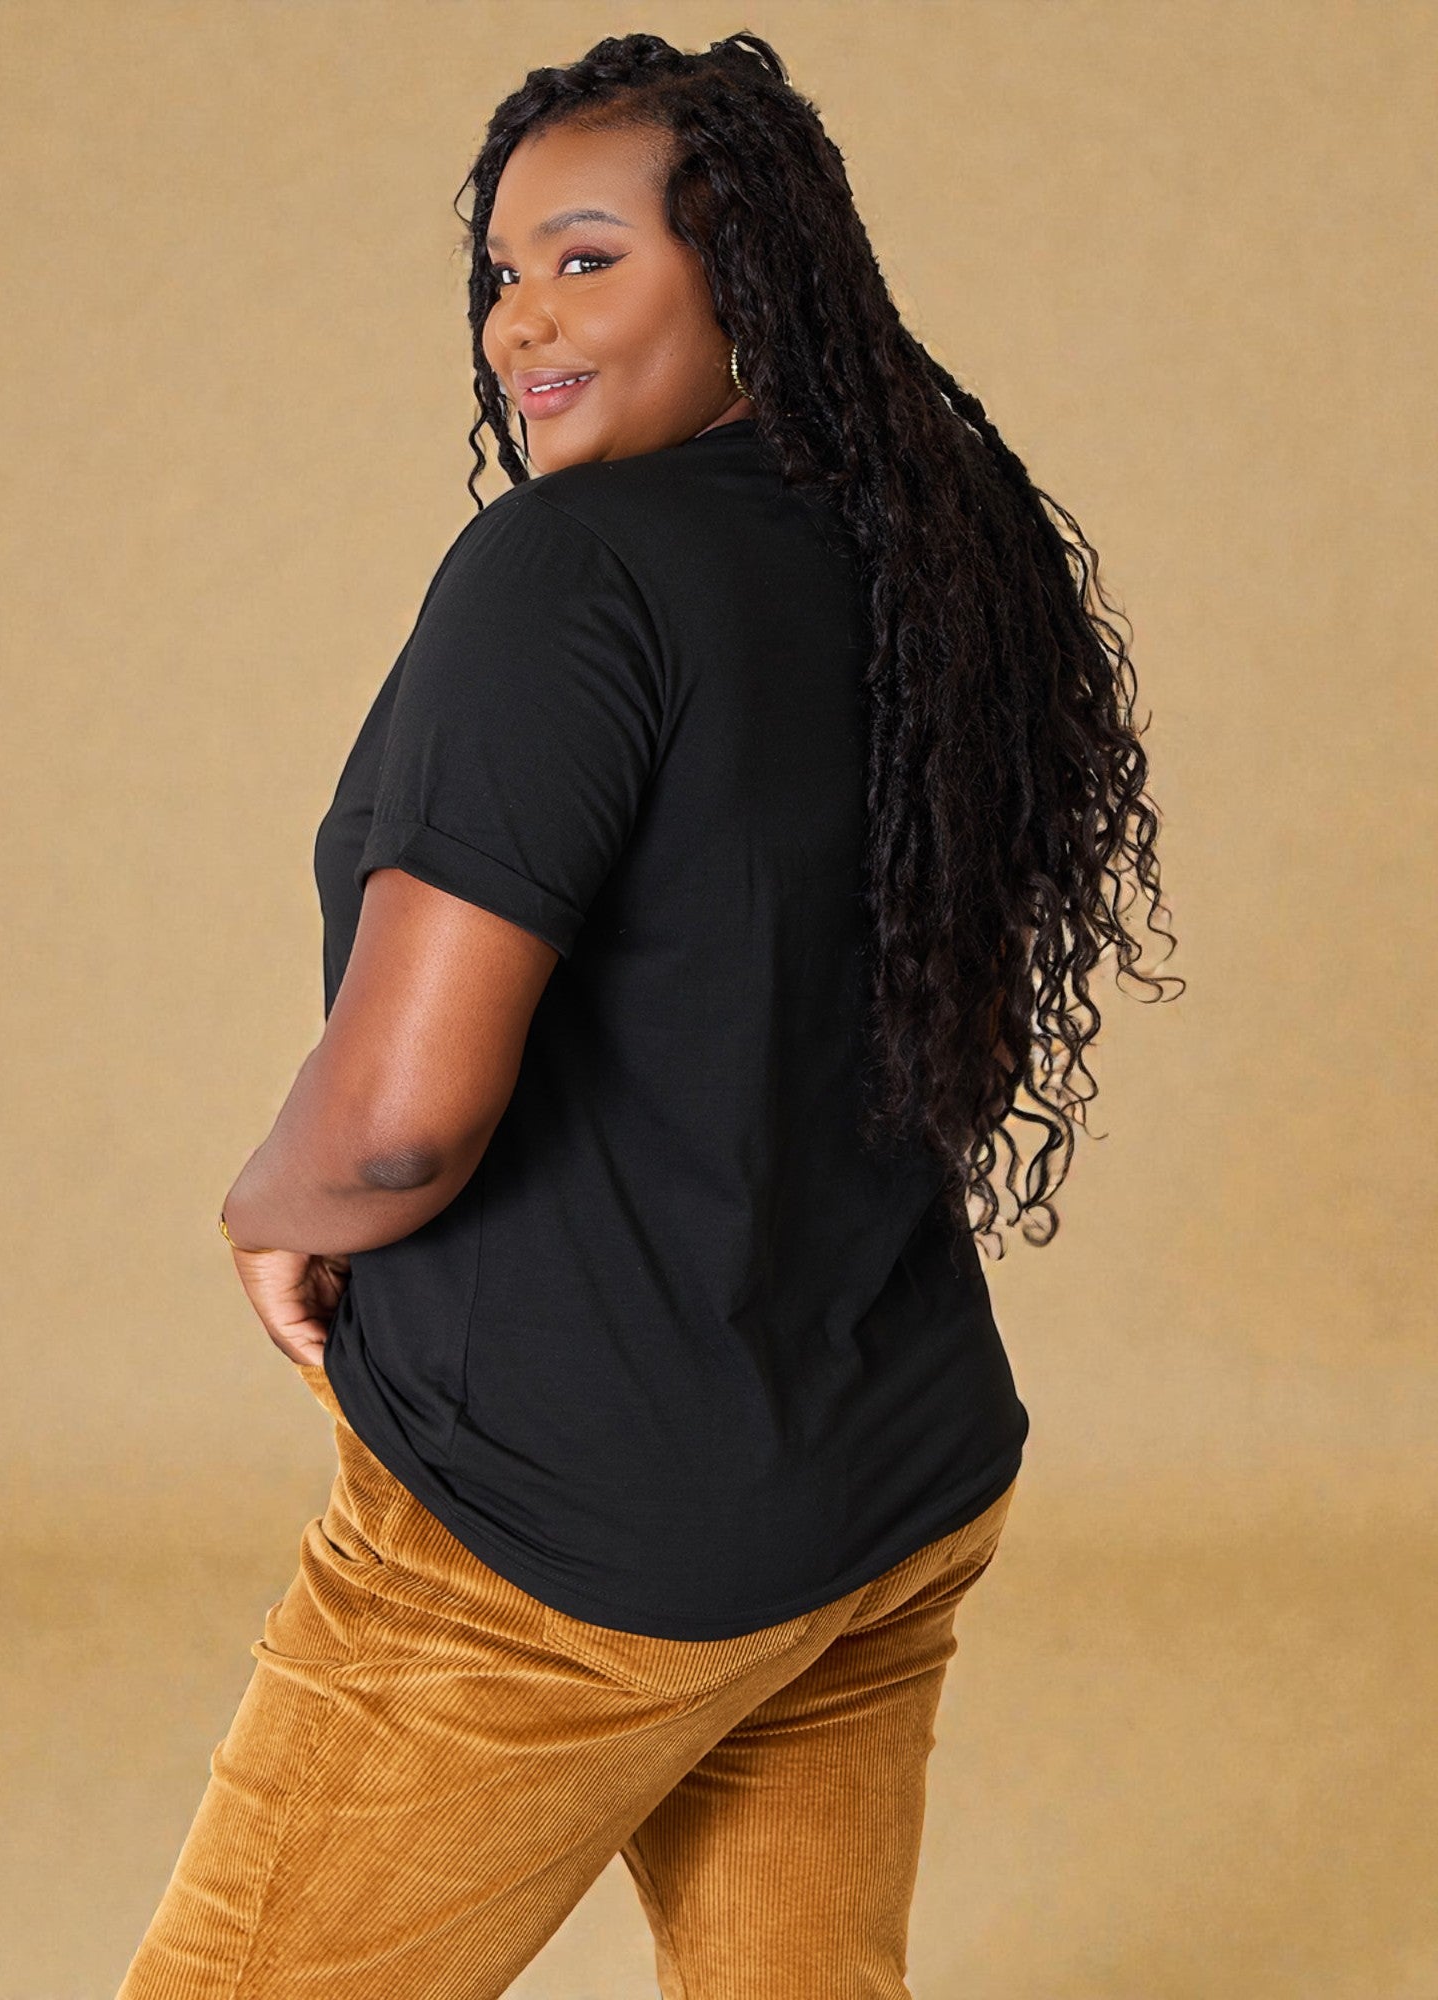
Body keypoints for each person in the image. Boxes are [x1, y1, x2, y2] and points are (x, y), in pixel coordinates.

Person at [117, 30, 1178, 2000]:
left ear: (750, 269)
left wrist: (267, 1202)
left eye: (585, 257)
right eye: (501, 270)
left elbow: (393, 1126)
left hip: (553, 1537)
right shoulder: (922, 550)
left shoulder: (565, 574)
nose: (523, 316)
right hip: (882, 1474)